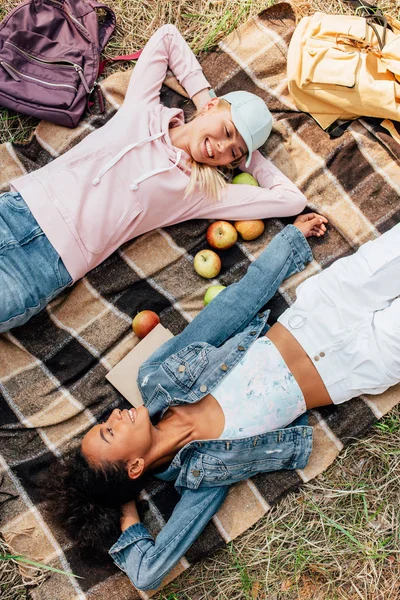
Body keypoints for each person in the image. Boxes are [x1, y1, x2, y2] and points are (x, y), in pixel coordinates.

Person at [50, 212, 400, 591]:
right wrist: (123, 504)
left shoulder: (157, 377)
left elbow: (230, 309)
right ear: (133, 466)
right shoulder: (204, 478)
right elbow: (147, 573)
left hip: (322, 309)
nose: (114, 415)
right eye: (108, 432)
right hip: (357, 365)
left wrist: (289, 243)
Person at [0, 24, 307, 333]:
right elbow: (168, 36)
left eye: (234, 151)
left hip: (43, 266)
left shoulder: (200, 191)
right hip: (16, 211)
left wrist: (250, 158)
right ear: (212, 108)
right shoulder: (143, 110)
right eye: (227, 132)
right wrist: (204, 100)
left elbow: (292, 199)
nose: (223, 147)